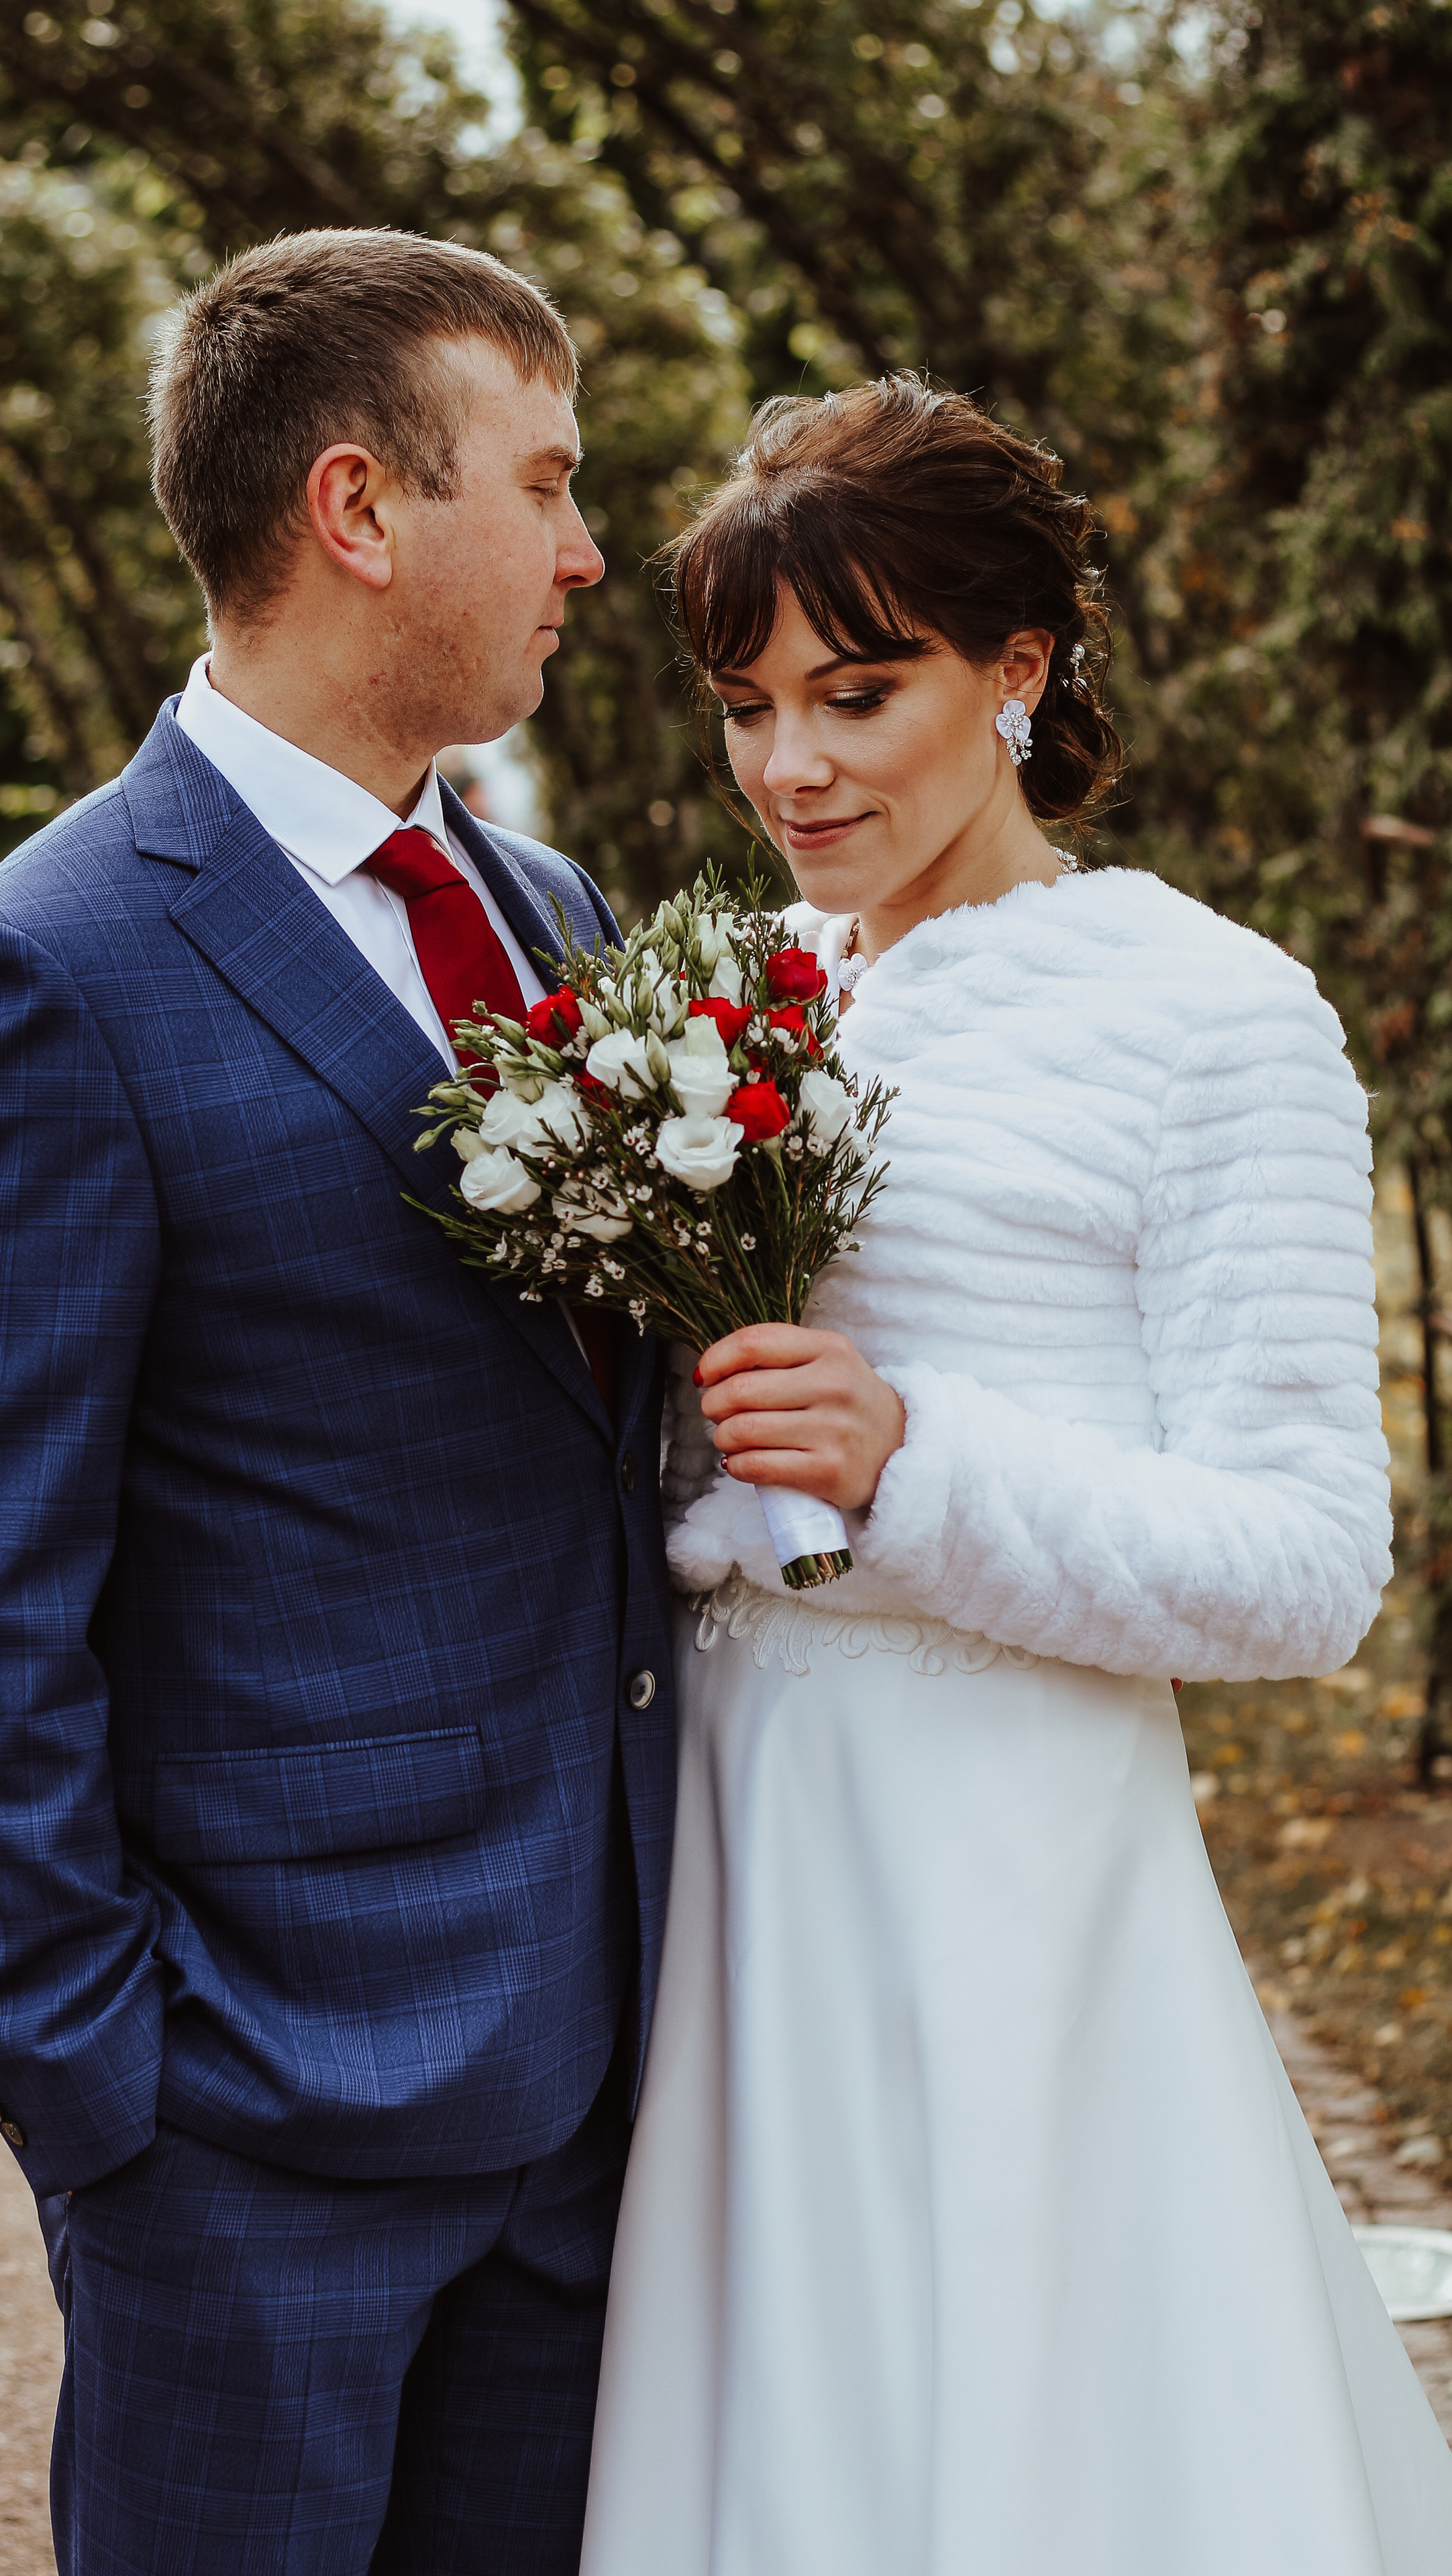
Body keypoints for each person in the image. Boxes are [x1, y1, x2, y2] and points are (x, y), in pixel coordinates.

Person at [0, 228, 678, 2576]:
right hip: (248, 2136)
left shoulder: (557, 918)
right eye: (547, 479)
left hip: (591, 2081)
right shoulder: (38, 976)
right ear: (357, 510)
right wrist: (115, 2096)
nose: (588, 547)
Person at [578, 376, 1452, 2575]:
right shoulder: (729, 1000)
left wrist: (914, 1466)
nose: (793, 767)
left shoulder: (1213, 1016)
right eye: (749, 704)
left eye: (860, 695)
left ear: (1023, 672)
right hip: (730, 1845)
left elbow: (1308, 1565)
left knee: (1030, 2438)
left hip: (1007, 1867)